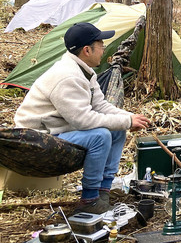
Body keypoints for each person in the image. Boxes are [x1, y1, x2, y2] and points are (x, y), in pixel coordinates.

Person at [14, 22, 151, 214]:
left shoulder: (85, 71)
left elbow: (100, 106)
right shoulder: (67, 76)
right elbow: (83, 121)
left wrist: (130, 118)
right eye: (101, 45)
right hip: (37, 137)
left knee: (117, 130)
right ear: (87, 50)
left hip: (59, 128)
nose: (104, 50)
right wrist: (127, 121)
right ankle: (89, 199)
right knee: (100, 136)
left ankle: (103, 191)